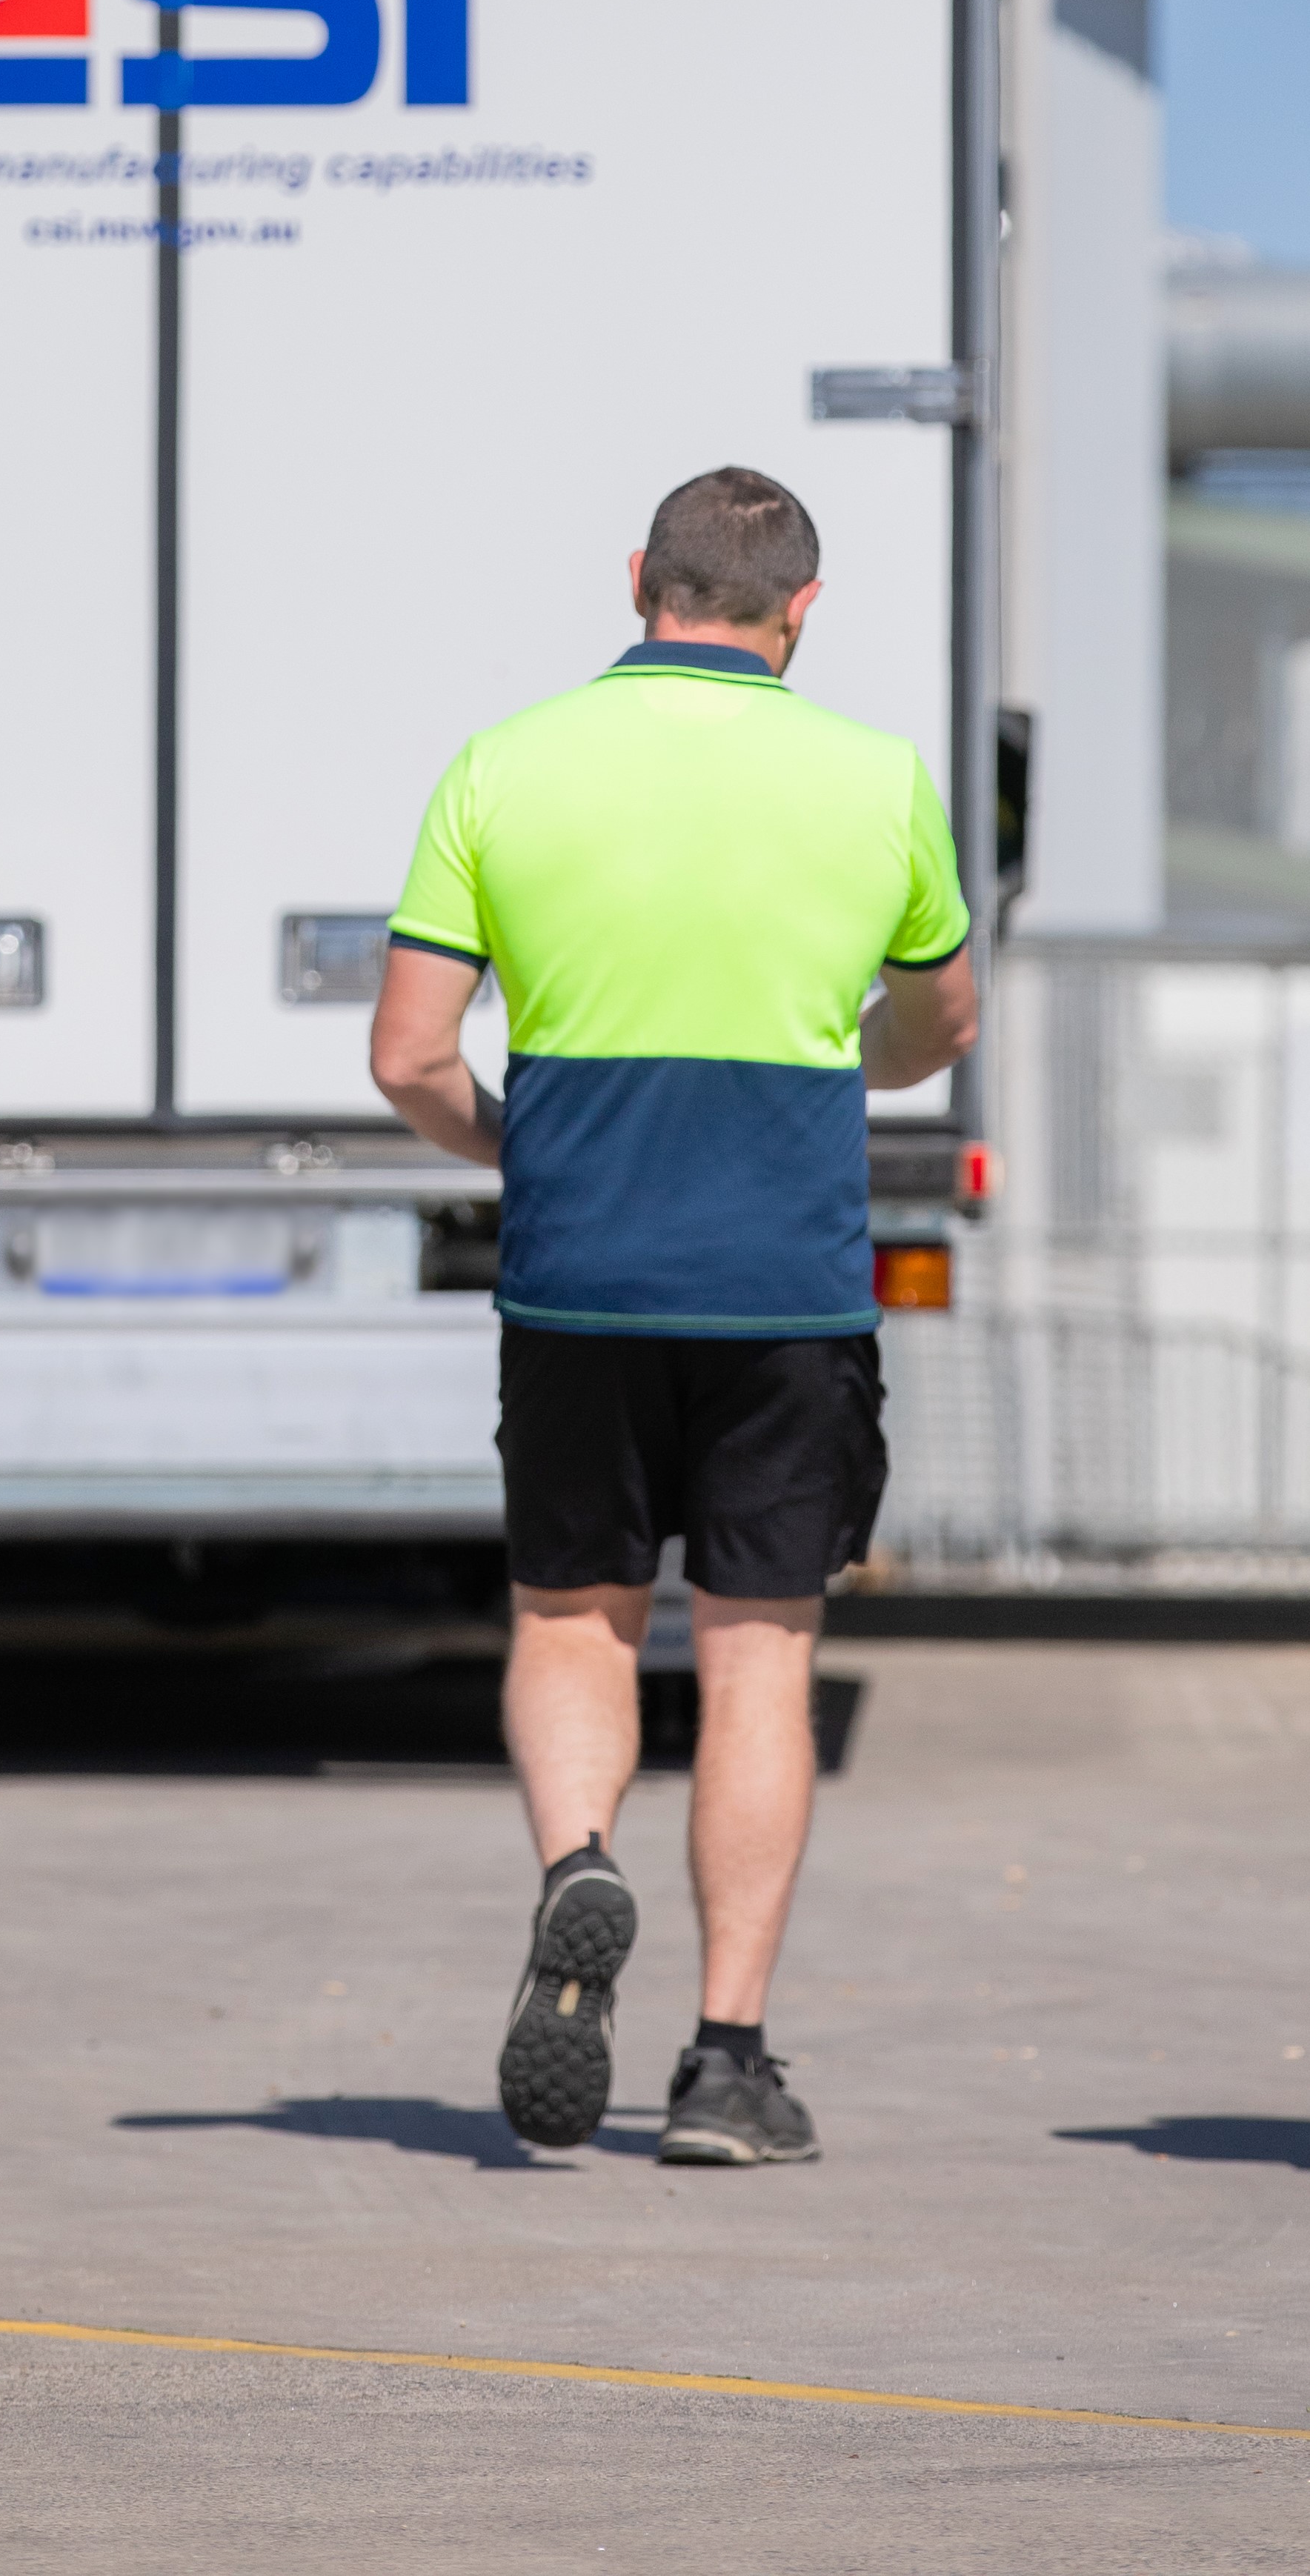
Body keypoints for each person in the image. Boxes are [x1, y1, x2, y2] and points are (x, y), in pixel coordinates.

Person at [369, 466, 976, 2166]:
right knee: (754, 1648)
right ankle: (724, 2063)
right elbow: (938, 1021)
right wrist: (833, 1071)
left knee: (571, 1618)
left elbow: (408, 1054)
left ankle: (578, 1861)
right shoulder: (874, 779)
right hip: (783, 1277)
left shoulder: (505, 761)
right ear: (800, 607)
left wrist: (524, 1149)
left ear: (638, 577)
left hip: (580, 1270)